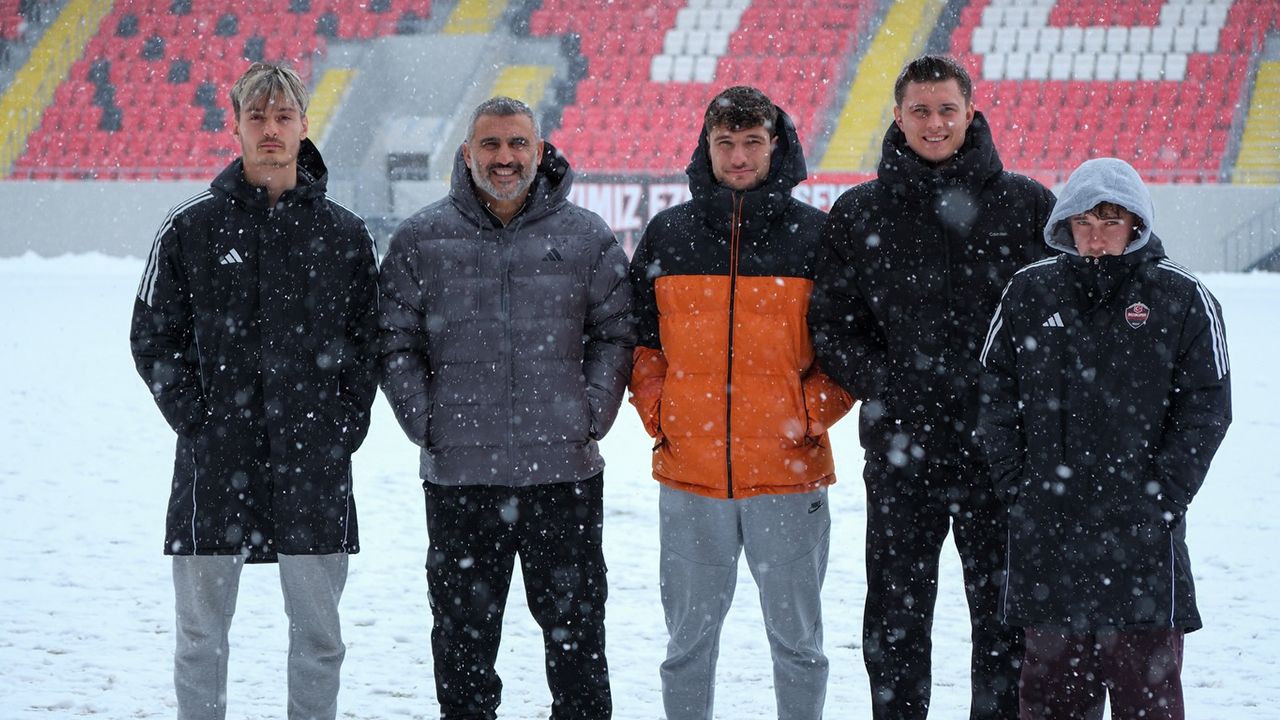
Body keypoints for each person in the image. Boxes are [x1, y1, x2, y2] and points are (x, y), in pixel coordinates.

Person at [808, 54, 1056, 719]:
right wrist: (886, 386)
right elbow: (832, 325)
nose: (934, 123)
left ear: (971, 112)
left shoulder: (1027, 205)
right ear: (897, 116)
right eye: (920, 110)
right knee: (895, 620)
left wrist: (1012, 401)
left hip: (1000, 455)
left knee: (1005, 622)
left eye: (947, 109)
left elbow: (1057, 320)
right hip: (901, 452)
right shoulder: (860, 212)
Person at [130, 62, 380, 720]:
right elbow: (153, 336)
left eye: (283, 116)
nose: (271, 129)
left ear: (304, 124)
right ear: (235, 125)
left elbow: (369, 343)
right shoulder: (191, 228)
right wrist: (197, 419)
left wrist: (342, 426)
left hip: (314, 464)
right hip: (215, 462)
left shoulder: (345, 234)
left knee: (320, 639)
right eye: (258, 117)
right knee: (200, 637)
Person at [378, 96, 633, 720]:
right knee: (462, 646)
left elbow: (617, 333)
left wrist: (590, 413)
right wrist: (426, 421)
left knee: (577, 644)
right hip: (461, 478)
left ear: (539, 152)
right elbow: (393, 341)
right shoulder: (421, 239)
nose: (504, 157)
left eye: (518, 143)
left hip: (563, 475)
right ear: (467, 153)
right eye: (490, 144)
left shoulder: (586, 238)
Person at [628, 85, 854, 720]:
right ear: (706, 146)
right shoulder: (668, 233)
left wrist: (806, 415)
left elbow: (849, 347)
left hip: (789, 473)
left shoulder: (815, 235)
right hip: (691, 475)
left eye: (752, 142)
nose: (738, 156)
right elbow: (640, 344)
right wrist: (663, 414)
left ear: (775, 146)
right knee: (686, 646)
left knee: (799, 645)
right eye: (725, 142)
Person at [977, 157, 1231, 720]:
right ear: (1065, 224)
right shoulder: (1030, 290)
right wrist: (1019, 486)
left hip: (1141, 543)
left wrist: (1163, 496)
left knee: (1148, 703)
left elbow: (1208, 408)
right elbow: (994, 393)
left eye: (1111, 222)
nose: (1096, 238)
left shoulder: (1181, 296)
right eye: (1084, 223)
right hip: (1050, 538)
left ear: (1136, 223)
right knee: (1052, 703)